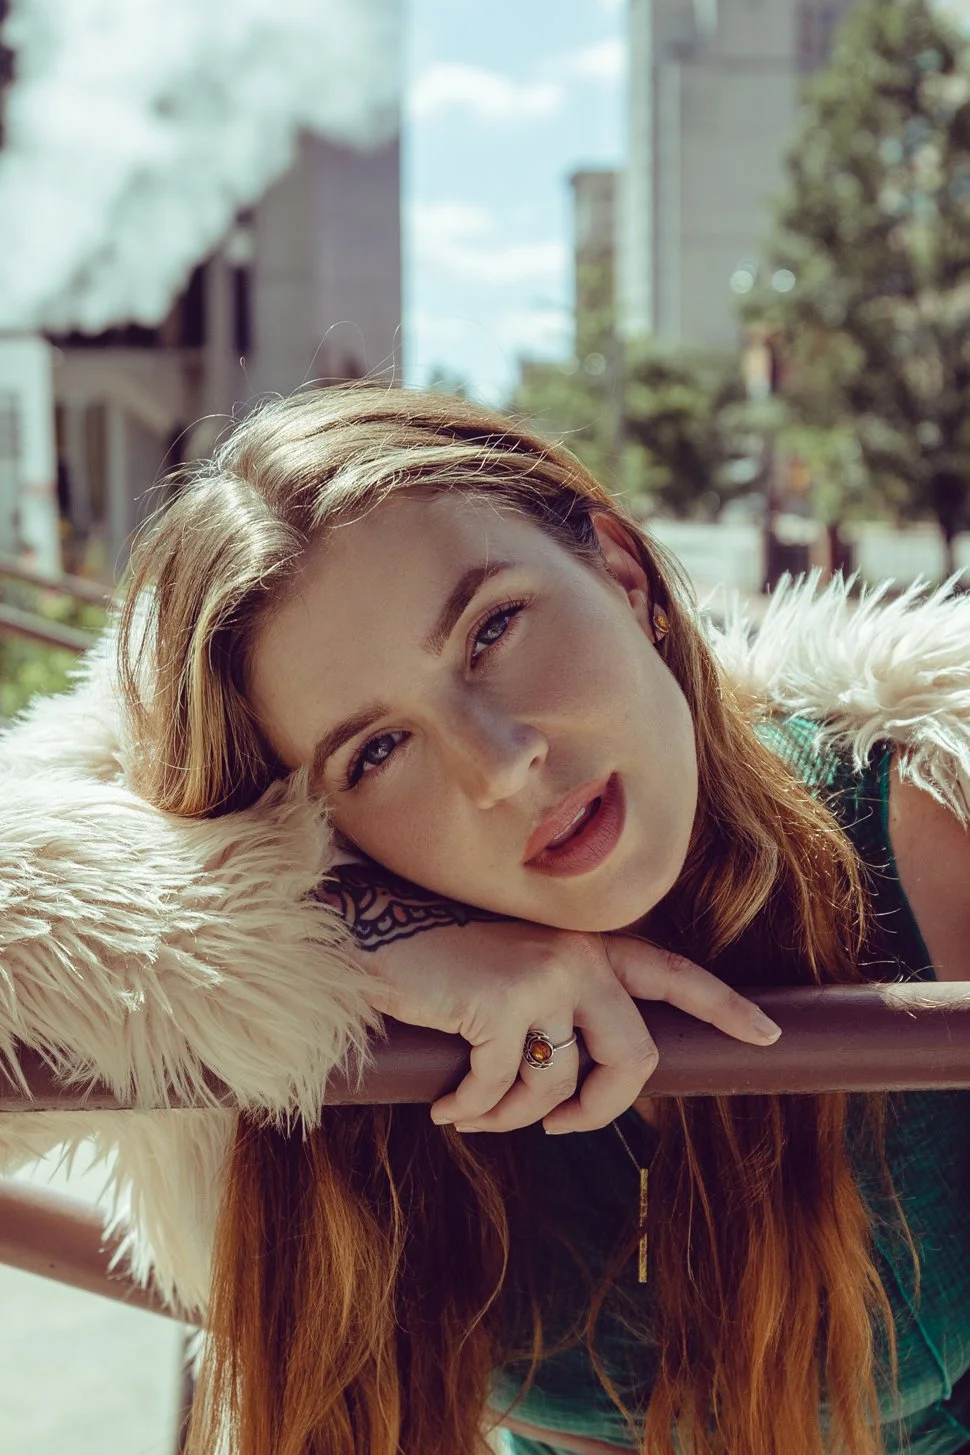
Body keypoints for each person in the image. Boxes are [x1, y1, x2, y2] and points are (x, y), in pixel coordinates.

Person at [1, 387, 969, 1455]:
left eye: (493, 629)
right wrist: (342, 931)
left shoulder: (928, 820)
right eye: (375, 752)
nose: (500, 764)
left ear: (620, 570)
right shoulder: (312, 999)